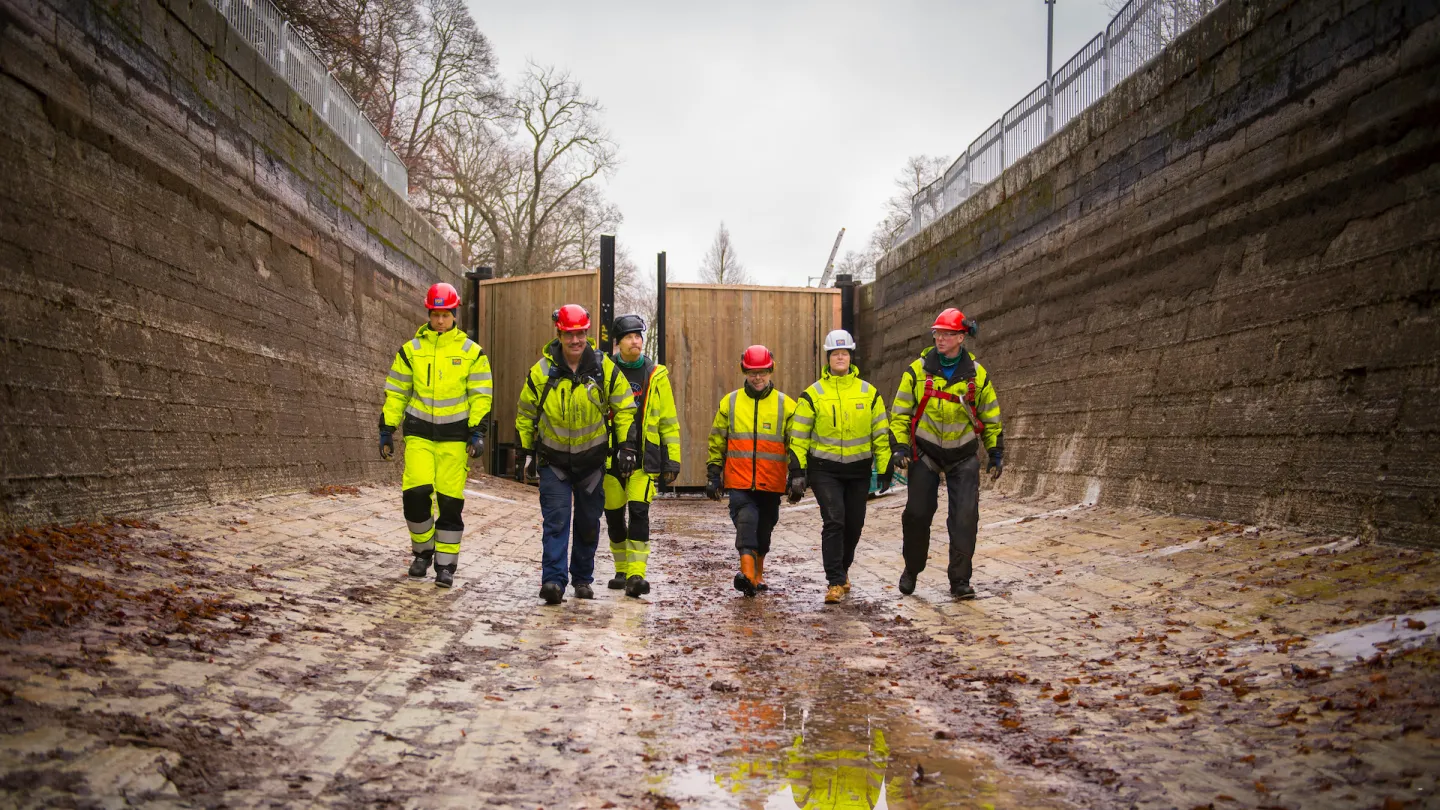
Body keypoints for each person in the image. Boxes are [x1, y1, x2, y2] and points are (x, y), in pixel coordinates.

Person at [515, 304, 637, 605]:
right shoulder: (541, 371)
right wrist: (526, 452)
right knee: (556, 521)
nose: (575, 341)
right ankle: (553, 581)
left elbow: (624, 408)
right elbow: (525, 414)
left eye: (581, 334)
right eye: (570, 334)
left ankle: (582, 579)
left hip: (592, 463)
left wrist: (627, 446)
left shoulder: (603, 368)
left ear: (588, 333)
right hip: (553, 462)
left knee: (587, 523)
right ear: (559, 333)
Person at [378, 282, 493, 589]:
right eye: (435, 314)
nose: (440, 320)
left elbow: (481, 395)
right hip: (418, 435)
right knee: (414, 496)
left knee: (449, 501)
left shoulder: (472, 352)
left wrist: (477, 433)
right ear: (428, 314)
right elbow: (397, 391)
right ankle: (422, 551)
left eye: (445, 314)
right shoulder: (411, 351)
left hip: (455, 439)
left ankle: (445, 565)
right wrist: (387, 429)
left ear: (454, 314)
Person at [889, 308, 1003, 600]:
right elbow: (900, 413)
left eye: (947, 334)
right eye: (937, 333)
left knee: (965, 518)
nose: (940, 338)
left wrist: (995, 450)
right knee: (916, 514)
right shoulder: (917, 371)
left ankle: (960, 580)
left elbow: (990, 416)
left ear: (961, 338)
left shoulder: (977, 375)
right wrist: (900, 446)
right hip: (925, 453)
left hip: (964, 455)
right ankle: (912, 569)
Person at [789, 330, 892, 604]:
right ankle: (834, 581)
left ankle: (843, 569)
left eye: (844, 353)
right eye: (835, 353)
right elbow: (799, 437)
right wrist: (798, 472)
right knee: (834, 520)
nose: (840, 357)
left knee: (854, 525)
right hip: (825, 470)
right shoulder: (813, 394)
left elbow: (881, 434)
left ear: (851, 356)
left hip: (858, 471)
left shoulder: (868, 393)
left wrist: (885, 468)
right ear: (828, 357)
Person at [707, 345, 796, 597]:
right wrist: (714, 473)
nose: (758, 377)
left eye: (763, 372)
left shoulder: (786, 405)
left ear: (771, 370)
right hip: (740, 480)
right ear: (744, 371)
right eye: (752, 372)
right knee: (746, 521)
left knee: (765, 528)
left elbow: (796, 443)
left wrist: (798, 474)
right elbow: (717, 440)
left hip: (772, 481)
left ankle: (757, 575)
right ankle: (746, 574)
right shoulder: (731, 402)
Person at [603, 314, 681, 598]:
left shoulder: (655, 374)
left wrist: (672, 459)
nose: (635, 341)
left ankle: (637, 575)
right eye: (629, 337)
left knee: (639, 512)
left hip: (644, 458)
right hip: (609, 457)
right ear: (618, 342)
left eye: (639, 336)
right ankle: (621, 569)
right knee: (613, 515)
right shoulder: (605, 369)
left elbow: (668, 421)